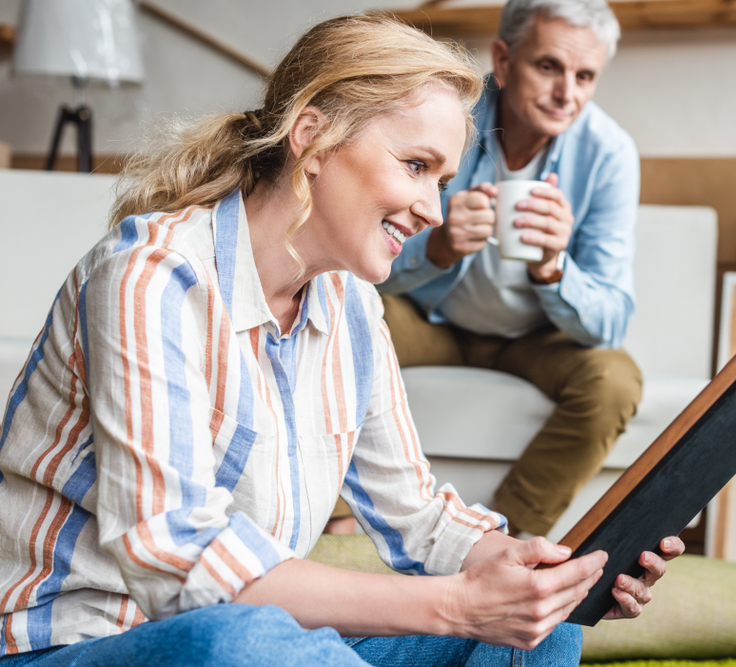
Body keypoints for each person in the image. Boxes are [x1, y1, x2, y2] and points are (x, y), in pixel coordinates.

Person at [0, 15, 683, 667]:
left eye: (443, 180)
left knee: (533, 633)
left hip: (254, 638)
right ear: (313, 137)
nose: (433, 210)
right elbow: (177, 563)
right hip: (79, 643)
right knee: (243, 641)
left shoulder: (349, 304)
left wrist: (538, 574)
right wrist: (454, 604)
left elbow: (418, 516)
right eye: (416, 166)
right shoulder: (152, 278)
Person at [377, 0, 641, 538]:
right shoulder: (444, 117)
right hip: (433, 320)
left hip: (534, 340)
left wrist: (553, 268)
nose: (568, 93)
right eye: (549, 66)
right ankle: (337, 519)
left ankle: (503, 537)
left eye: (585, 75)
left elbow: (610, 322)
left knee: (614, 381)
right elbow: (363, 252)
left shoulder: (610, 154)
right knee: (344, 308)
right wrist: (439, 246)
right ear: (503, 60)